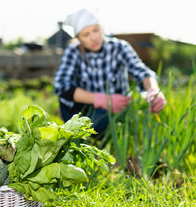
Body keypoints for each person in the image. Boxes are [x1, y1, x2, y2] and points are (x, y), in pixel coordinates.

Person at [54, 8, 166, 136]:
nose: (93, 37)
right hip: (86, 107)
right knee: (79, 124)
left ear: (102, 28)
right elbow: (61, 86)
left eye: (96, 30)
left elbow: (141, 71)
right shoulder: (74, 51)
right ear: (79, 38)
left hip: (115, 109)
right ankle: (77, 134)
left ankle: (95, 134)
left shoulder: (119, 47)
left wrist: (154, 90)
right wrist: (101, 99)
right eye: (86, 34)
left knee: (100, 124)